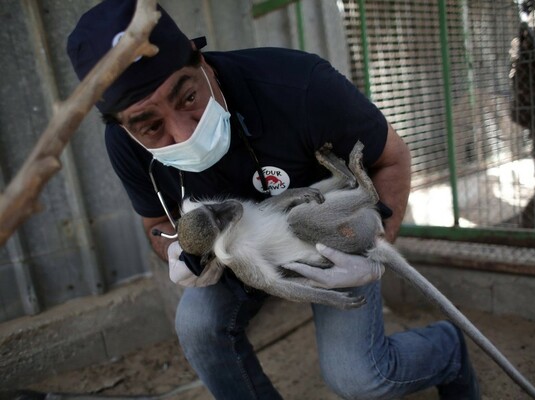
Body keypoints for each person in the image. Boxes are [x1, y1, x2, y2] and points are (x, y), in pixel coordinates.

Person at [67, 1, 479, 399]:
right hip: (239, 258)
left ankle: (447, 349)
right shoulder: (126, 143)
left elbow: (393, 158)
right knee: (195, 322)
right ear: (123, 125)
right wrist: (177, 253)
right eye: (151, 126)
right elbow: (156, 222)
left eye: (187, 98)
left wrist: (373, 250)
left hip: (328, 238)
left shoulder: (297, 84)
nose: (183, 133)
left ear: (200, 59)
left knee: (358, 379)